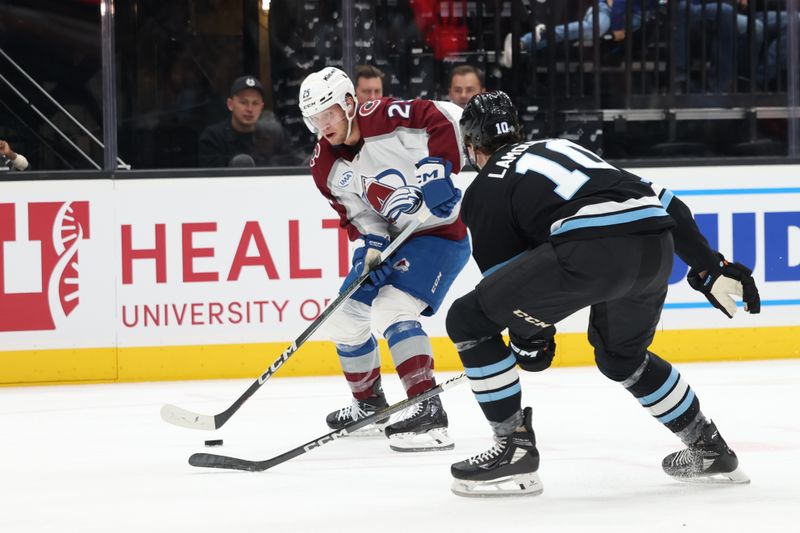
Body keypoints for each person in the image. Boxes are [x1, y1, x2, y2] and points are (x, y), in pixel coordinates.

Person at [438, 91, 760, 497]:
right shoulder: (564, 147)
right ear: (519, 131)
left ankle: (514, 448)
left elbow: (506, 290)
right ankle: (709, 448)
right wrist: (709, 267)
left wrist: (530, 343)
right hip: (655, 247)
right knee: (621, 356)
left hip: (592, 249)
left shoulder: (486, 185)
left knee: (468, 320)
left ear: (472, 148)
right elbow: (668, 203)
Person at [298, 67, 471, 452]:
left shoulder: (382, 117)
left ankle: (429, 411)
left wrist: (439, 165)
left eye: (327, 113)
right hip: (394, 240)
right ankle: (370, 405)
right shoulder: (324, 166)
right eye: (314, 118)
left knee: (392, 307)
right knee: (343, 316)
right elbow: (360, 215)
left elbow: (440, 117)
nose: (322, 125)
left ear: (348, 104)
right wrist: (372, 247)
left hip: (440, 233)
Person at [199, 75, 296, 167]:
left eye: (255, 103)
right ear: (230, 104)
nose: (249, 109)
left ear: (261, 107)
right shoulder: (213, 138)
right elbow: (211, 180)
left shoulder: (277, 135)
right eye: (243, 102)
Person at [499, 0, 613, 68]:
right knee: (594, 27)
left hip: (617, 20)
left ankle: (524, 42)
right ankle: (528, 39)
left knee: (593, 27)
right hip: (605, 11)